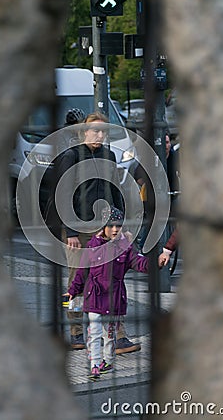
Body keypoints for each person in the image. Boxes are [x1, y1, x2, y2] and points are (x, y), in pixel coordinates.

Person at [57, 112, 141, 354]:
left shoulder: (109, 155)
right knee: (76, 282)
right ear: (84, 132)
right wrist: (70, 230)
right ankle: (75, 333)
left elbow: (115, 190)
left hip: (105, 229)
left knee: (111, 279)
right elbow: (61, 195)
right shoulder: (71, 156)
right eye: (95, 131)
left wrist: (120, 224)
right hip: (78, 230)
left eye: (103, 131)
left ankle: (118, 336)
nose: (100, 135)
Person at [66, 206, 149, 379]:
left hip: (114, 298)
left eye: (118, 226)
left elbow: (138, 262)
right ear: (102, 227)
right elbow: (82, 271)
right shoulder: (92, 246)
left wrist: (154, 264)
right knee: (94, 333)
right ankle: (95, 364)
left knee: (110, 335)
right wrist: (73, 290)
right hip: (94, 296)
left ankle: (108, 361)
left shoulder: (124, 247)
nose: (115, 229)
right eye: (111, 226)